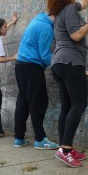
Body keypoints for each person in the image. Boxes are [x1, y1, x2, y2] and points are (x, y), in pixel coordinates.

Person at [46, 0, 88, 167]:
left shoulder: (64, 9)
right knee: (79, 105)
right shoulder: (69, 10)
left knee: (68, 107)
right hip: (71, 62)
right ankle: (66, 149)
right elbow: (76, 36)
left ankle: (64, 148)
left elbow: (86, 2)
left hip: (60, 63)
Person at [13, 12, 60, 150]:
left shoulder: (36, 21)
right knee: (39, 102)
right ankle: (40, 139)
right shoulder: (46, 28)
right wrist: (61, 66)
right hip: (31, 67)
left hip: (21, 65)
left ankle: (19, 138)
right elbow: (45, 54)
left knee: (23, 101)